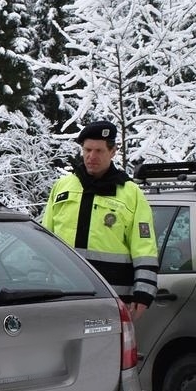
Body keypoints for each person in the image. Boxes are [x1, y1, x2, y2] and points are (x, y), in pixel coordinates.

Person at [42, 121, 158, 321]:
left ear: (113, 151)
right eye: (87, 150)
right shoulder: (62, 186)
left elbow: (145, 249)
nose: (91, 156)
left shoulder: (131, 194)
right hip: (63, 295)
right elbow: (44, 241)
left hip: (112, 298)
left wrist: (143, 293)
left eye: (99, 150)